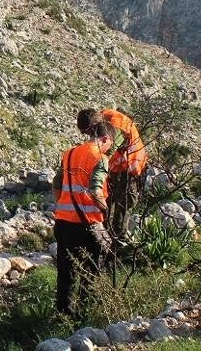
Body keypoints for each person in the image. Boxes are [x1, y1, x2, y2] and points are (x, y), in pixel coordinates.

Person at [51, 120, 122, 316]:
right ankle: (85, 315)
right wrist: (106, 213)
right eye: (110, 144)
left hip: (63, 222)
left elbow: (56, 185)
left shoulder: (70, 153)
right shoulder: (100, 157)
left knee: (66, 272)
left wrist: (63, 207)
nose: (110, 148)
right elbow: (95, 189)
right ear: (106, 138)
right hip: (87, 225)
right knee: (91, 272)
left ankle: (63, 314)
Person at [77, 107, 148, 238]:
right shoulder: (102, 120)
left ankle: (117, 241)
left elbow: (107, 152)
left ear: (93, 126)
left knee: (123, 204)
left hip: (129, 169)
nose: (88, 136)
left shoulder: (116, 127)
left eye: (87, 132)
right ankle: (105, 235)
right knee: (107, 202)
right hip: (115, 168)